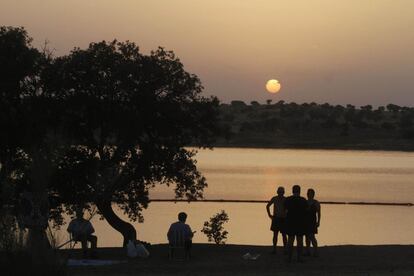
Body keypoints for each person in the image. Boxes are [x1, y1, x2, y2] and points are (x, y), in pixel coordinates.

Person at [284, 185, 308, 263]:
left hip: (290, 222)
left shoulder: (288, 199)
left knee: (290, 240)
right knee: (300, 240)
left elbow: (285, 210)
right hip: (300, 222)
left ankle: (289, 257)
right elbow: (306, 211)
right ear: (299, 191)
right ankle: (299, 257)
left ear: (292, 191)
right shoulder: (303, 200)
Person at [266, 186, 287, 255]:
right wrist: (269, 215)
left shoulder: (285, 199)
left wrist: (287, 215)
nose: (281, 193)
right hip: (276, 218)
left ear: (283, 192)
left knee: (284, 235)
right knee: (275, 234)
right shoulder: (274, 198)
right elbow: (268, 206)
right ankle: (274, 249)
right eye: (279, 192)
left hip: (283, 219)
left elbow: (288, 208)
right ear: (277, 192)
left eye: (282, 192)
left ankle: (285, 249)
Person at [305, 188, 321, 257]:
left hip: (312, 222)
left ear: (313, 194)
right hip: (306, 222)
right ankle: (308, 251)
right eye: (308, 193)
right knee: (307, 237)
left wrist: (318, 222)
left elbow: (319, 213)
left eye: (311, 193)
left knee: (312, 237)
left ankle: (315, 251)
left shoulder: (316, 203)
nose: (309, 195)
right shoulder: (305, 202)